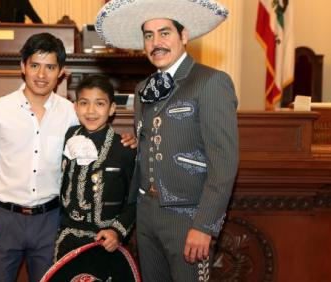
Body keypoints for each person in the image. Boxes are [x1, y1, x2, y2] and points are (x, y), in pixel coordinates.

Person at [0, 32, 135, 282]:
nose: (41, 74)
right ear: (22, 66)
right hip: (5, 217)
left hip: (51, 220)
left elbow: (99, 130)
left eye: (50, 67)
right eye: (35, 65)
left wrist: (127, 140)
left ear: (61, 72)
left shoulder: (71, 112)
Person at [95, 0, 239, 281]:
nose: (156, 42)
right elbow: (154, 142)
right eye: (149, 35)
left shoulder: (211, 82)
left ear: (183, 37)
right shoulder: (142, 90)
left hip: (188, 217)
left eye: (164, 33)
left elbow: (224, 163)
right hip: (146, 215)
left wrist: (205, 226)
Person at [54, 75, 137, 261]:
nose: (91, 111)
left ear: (112, 109)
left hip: (105, 240)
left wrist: (117, 231)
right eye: (84, 103)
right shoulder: (69, 136)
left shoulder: (124, 148)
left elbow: (136, 199)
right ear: (75, 107)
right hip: (67, 239)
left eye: (99, 104)